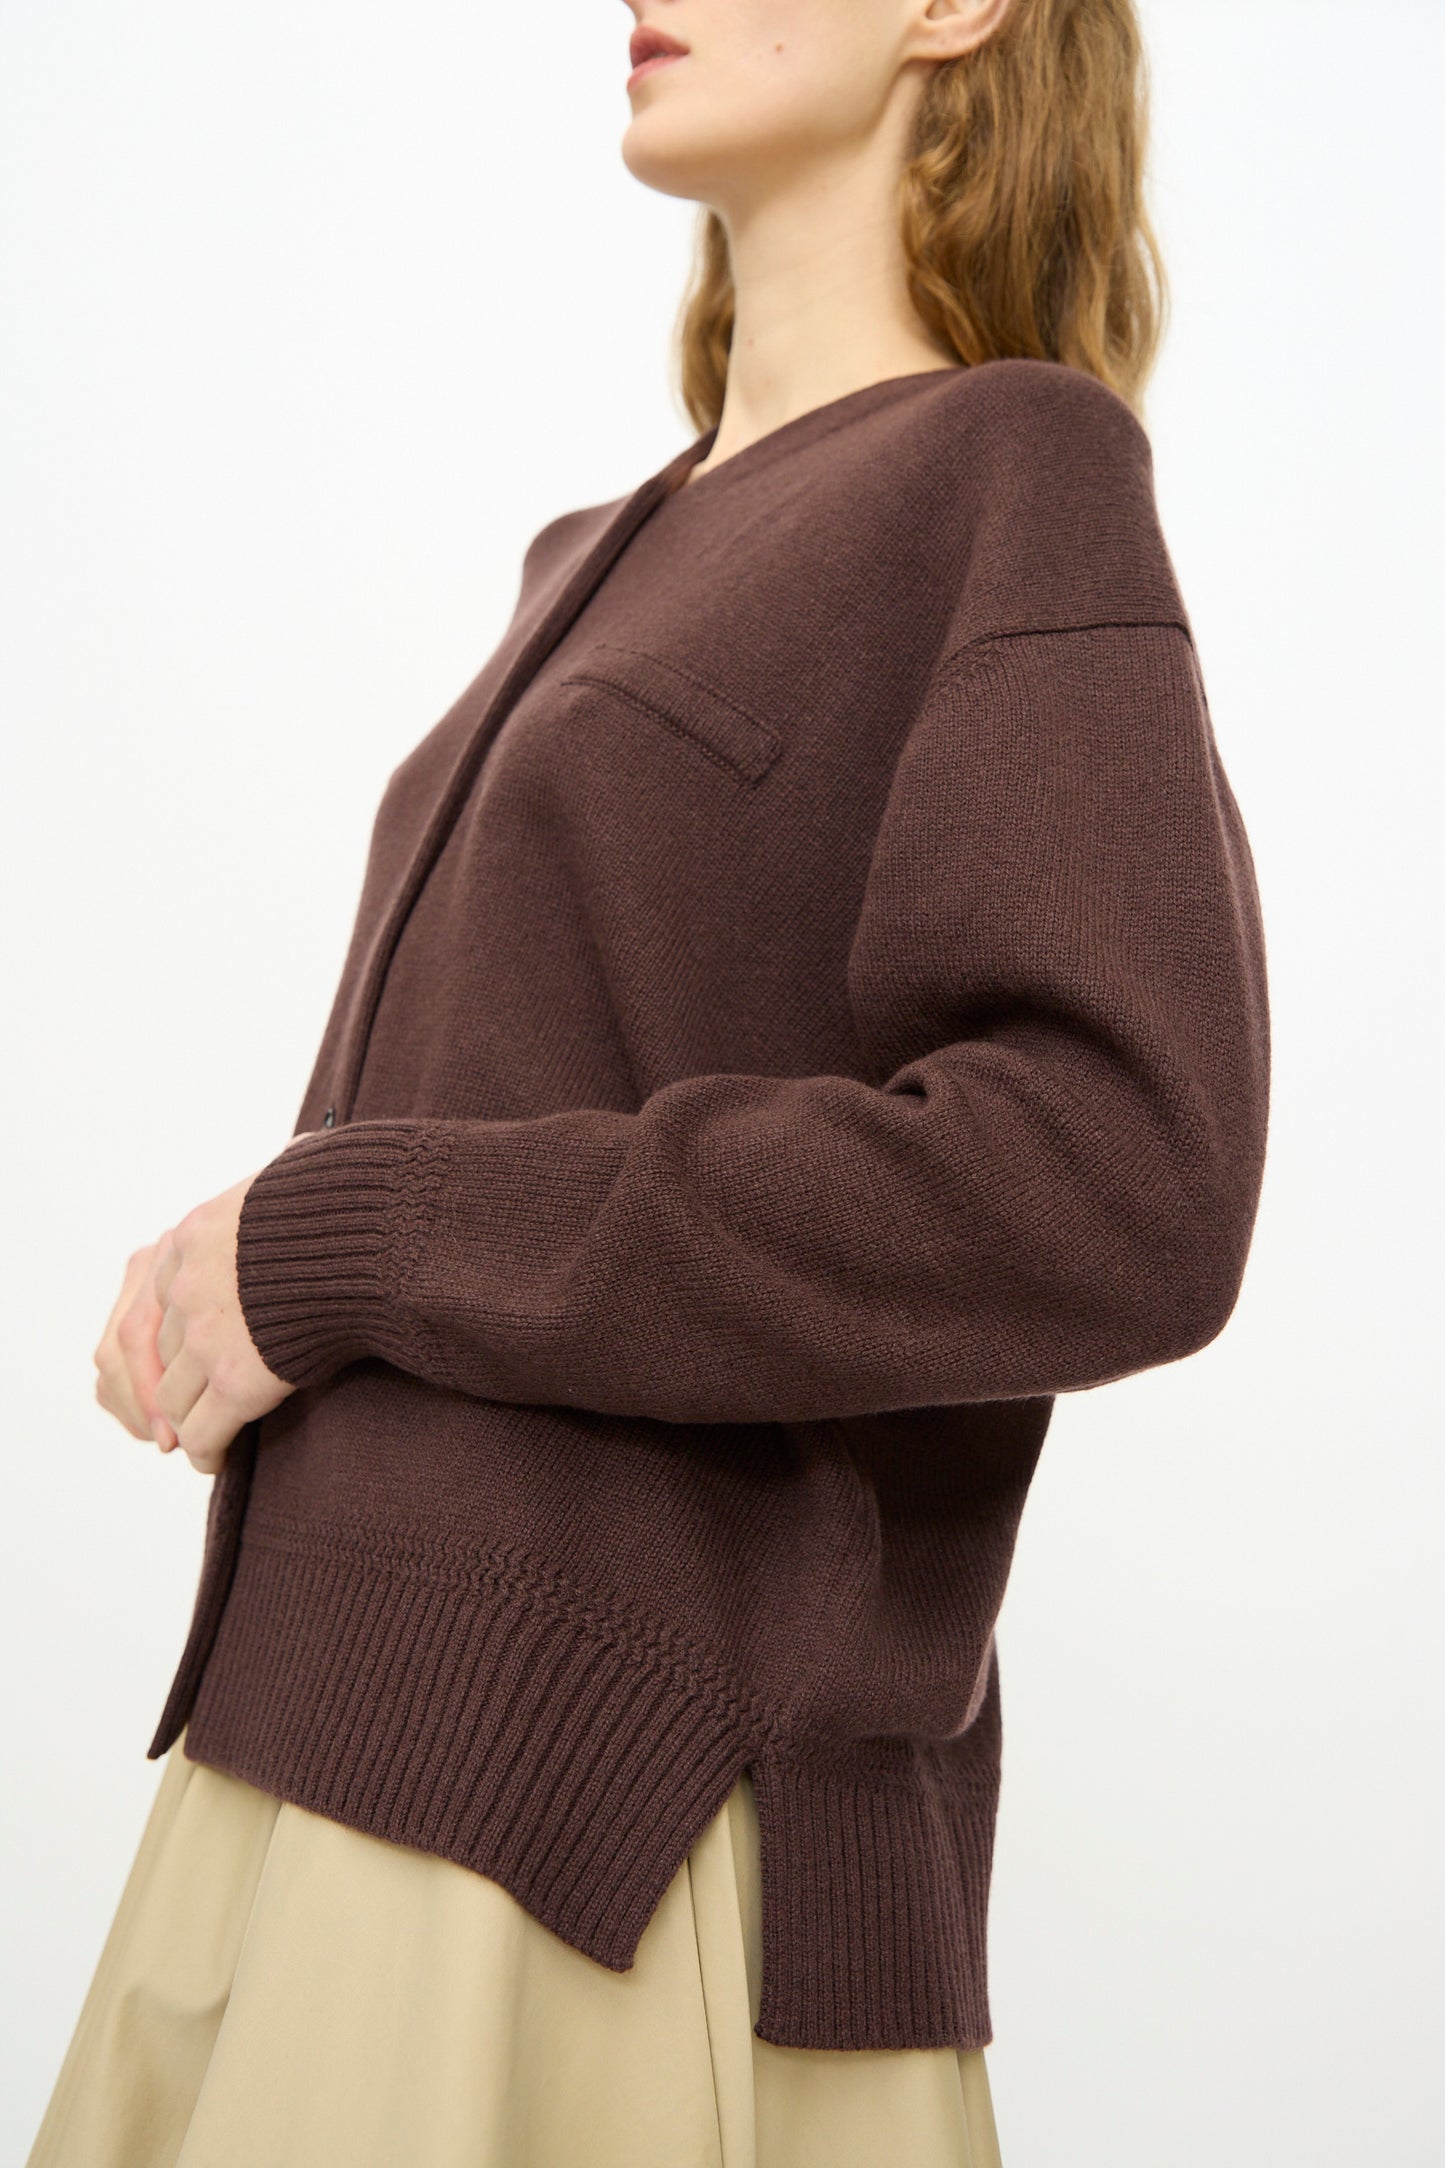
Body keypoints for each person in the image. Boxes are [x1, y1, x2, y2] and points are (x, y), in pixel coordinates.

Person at [29, 1, 1271, 2162]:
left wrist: (338, 1241)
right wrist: (268, 1271)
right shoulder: (600, 549)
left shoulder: (1014, 475)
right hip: (321, 1760)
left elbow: (1124, 1177)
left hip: (587, 1845)